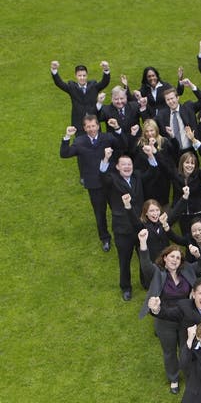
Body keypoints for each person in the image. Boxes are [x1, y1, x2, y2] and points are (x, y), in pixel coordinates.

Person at [138, 232, 201, 393]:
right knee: (169, 351)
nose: (175, 260)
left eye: (178, 257)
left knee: (187, 348)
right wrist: (143, 242)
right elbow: (145, 265)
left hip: (185, 317)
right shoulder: (158, 272)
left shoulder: (187, 270)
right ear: (165, 258)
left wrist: (199, 255)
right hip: (165, 318)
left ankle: (190, 376)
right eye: (172, 256)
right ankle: (174, 378)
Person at [99, 148, 158, 301]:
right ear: (117, 167)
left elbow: (152, 172)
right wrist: (106, 158)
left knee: (144, 257)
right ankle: (126, 287)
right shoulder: (112, 179)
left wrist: (150, 154)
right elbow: (102, 177)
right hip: (122, 229)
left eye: (129, 164)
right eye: (123, 164)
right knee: (124, 260)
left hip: (140, 227)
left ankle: (146, 283)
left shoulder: (137, 176)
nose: (127, 167)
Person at [59, 116, 122, 251]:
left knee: (117, 210)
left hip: (110, 181)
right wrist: (66, 137)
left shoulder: (108, 138)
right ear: (84, 128)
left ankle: (120, 234)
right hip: (94, 185)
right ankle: (105, 238)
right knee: (100, 214)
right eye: (88, 127)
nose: (91, 129)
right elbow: (64, 154)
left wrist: (117, 128)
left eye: (93, 126)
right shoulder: (79, 141)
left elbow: (123, 146)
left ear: (98, 126)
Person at [50, 59, 110, 132]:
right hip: (79, 125)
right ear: (76, 76)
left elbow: (105, 82)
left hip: (94, 124)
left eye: (84, 75)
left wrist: (106, 69)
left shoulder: (93, 86)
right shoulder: (72, 87)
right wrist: (54, 69)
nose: (82, 78)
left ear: (87, 75)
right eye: (80, 75)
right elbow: (59, 83)